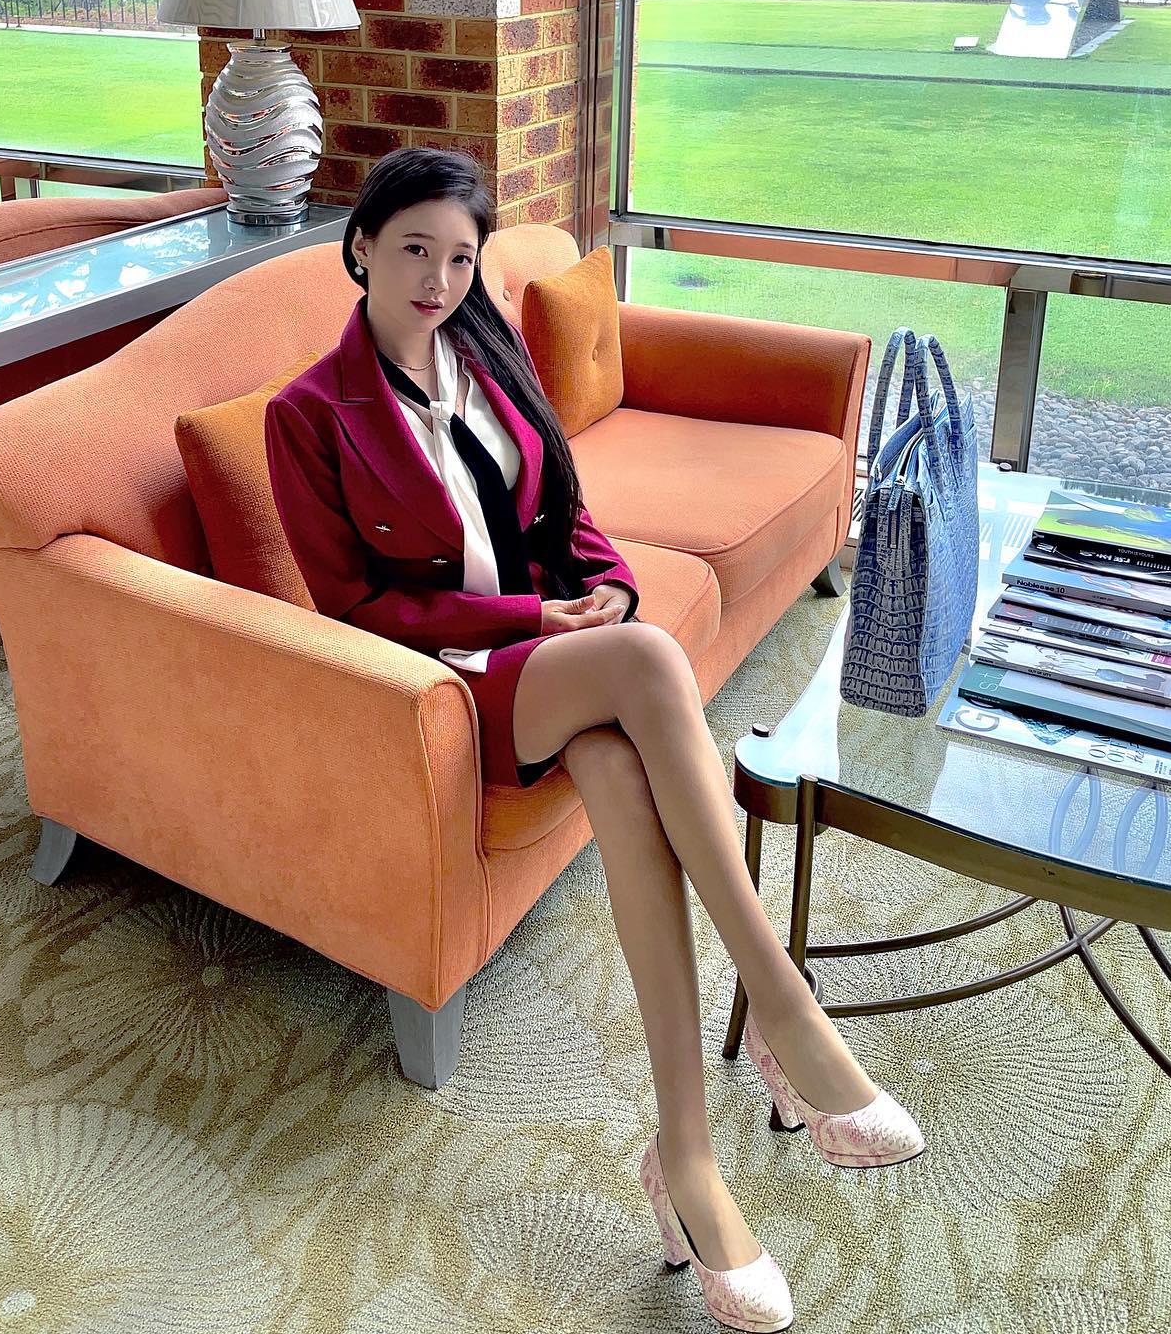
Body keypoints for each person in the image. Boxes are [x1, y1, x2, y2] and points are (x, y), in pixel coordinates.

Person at [264, 148, 925, 1333]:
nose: (437, 280)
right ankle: (784, 1007)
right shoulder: (309, 415)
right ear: (360, 247)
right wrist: (535, 619)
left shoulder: (486, 355)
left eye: (459, 257)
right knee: (649, 662)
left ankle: (687, 1162)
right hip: (450, 676)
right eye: (413, 250)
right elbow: (352, 605)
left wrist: (607, 584)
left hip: (558, 652)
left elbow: (566, 513)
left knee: (623, 771)